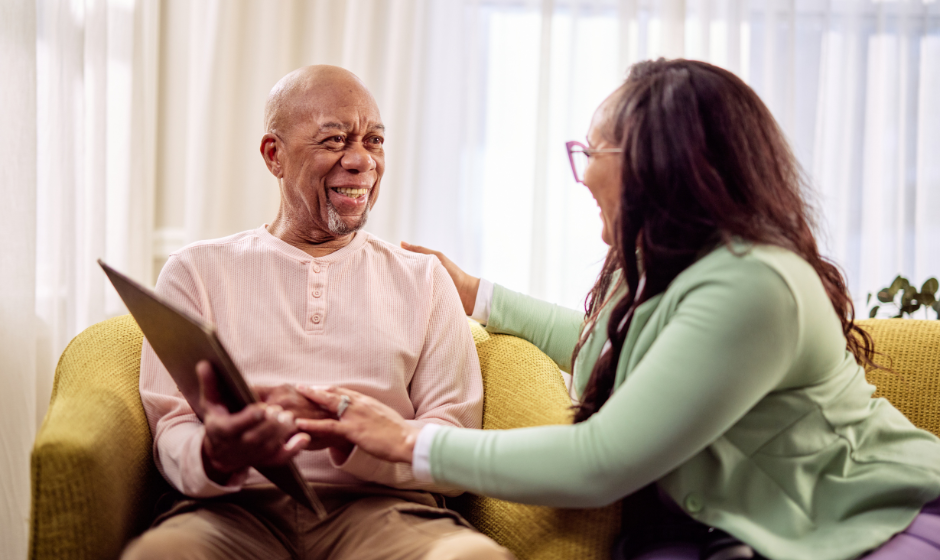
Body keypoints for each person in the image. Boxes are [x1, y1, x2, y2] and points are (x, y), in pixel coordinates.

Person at [292, 59, 940, 560]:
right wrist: (475, 294)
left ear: (654, 164)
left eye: (590, 151)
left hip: (871, 517)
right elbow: (609, 349)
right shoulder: (661, 266)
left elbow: (598, 462)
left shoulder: (754, 285)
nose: (581, 173)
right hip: (735, 528)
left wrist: (410, 440)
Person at [122, 65, 513, 560]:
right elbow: (172, 423)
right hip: (231, 512)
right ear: (274, 155)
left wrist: (352, 438)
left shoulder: (423, 279)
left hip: (386, 514)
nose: (360, 161)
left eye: (373, 140)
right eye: (334, 141)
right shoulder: (195, 270)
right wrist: (215, 456)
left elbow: (452, 438)